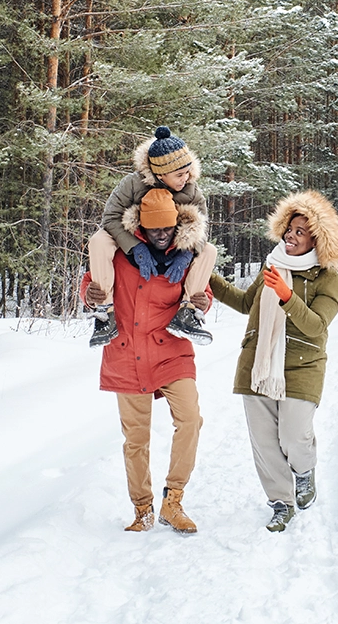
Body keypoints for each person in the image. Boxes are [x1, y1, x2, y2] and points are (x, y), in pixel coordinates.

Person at [210, 190, 338, 533]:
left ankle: (304, 471)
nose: (291, 235)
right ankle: (280, 502)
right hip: (257, 363)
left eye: (301, 231)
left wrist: (287, 297)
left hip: (303, 366)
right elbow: (246, 303)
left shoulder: (328, 279)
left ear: (319, 239)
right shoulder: (273, 265)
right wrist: (206, 278)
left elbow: (317, 325)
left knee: (293, 436)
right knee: (264, 442)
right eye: (289, 229)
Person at [82, 188, 213, 534]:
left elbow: (204, 291)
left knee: (191, 419)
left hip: (170, 349)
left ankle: (174, 500)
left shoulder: (187, 254)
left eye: (166, 228)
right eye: (153, 228)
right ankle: (142, 509)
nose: (160, 235)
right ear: (140, 224)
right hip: (126, 352)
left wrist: (201, 302)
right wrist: (89, 294)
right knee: (136, 438)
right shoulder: (121, 251)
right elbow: (90, 283)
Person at [86, 126, 217, 347]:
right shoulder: (132, 184)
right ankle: (104, 312)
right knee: (99, 240)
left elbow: (202, 228)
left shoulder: (192, 191)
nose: (185, 178)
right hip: (138, 237)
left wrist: (186, 253)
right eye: (179, 174)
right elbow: (110, 217)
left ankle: (188, 312)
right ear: (160, 173)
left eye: (187, 172)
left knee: (209, 250)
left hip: (174, 243)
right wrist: (135, 246)